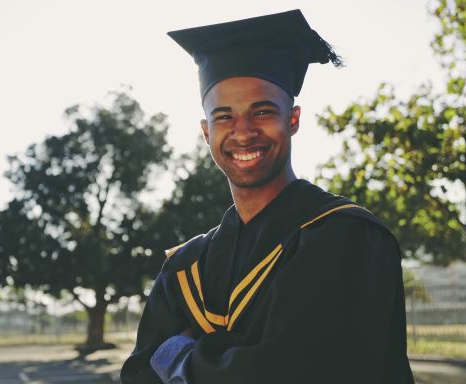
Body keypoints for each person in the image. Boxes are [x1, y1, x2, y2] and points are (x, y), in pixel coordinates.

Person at [120, 10, 414, 384]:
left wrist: (177, 356)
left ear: (293, 119)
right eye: (224, 116)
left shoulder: (345, 237)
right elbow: (137, 377)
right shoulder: (184, 268)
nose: (243, 132)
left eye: (262, 112)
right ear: (205, 131)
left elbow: (287, 372)